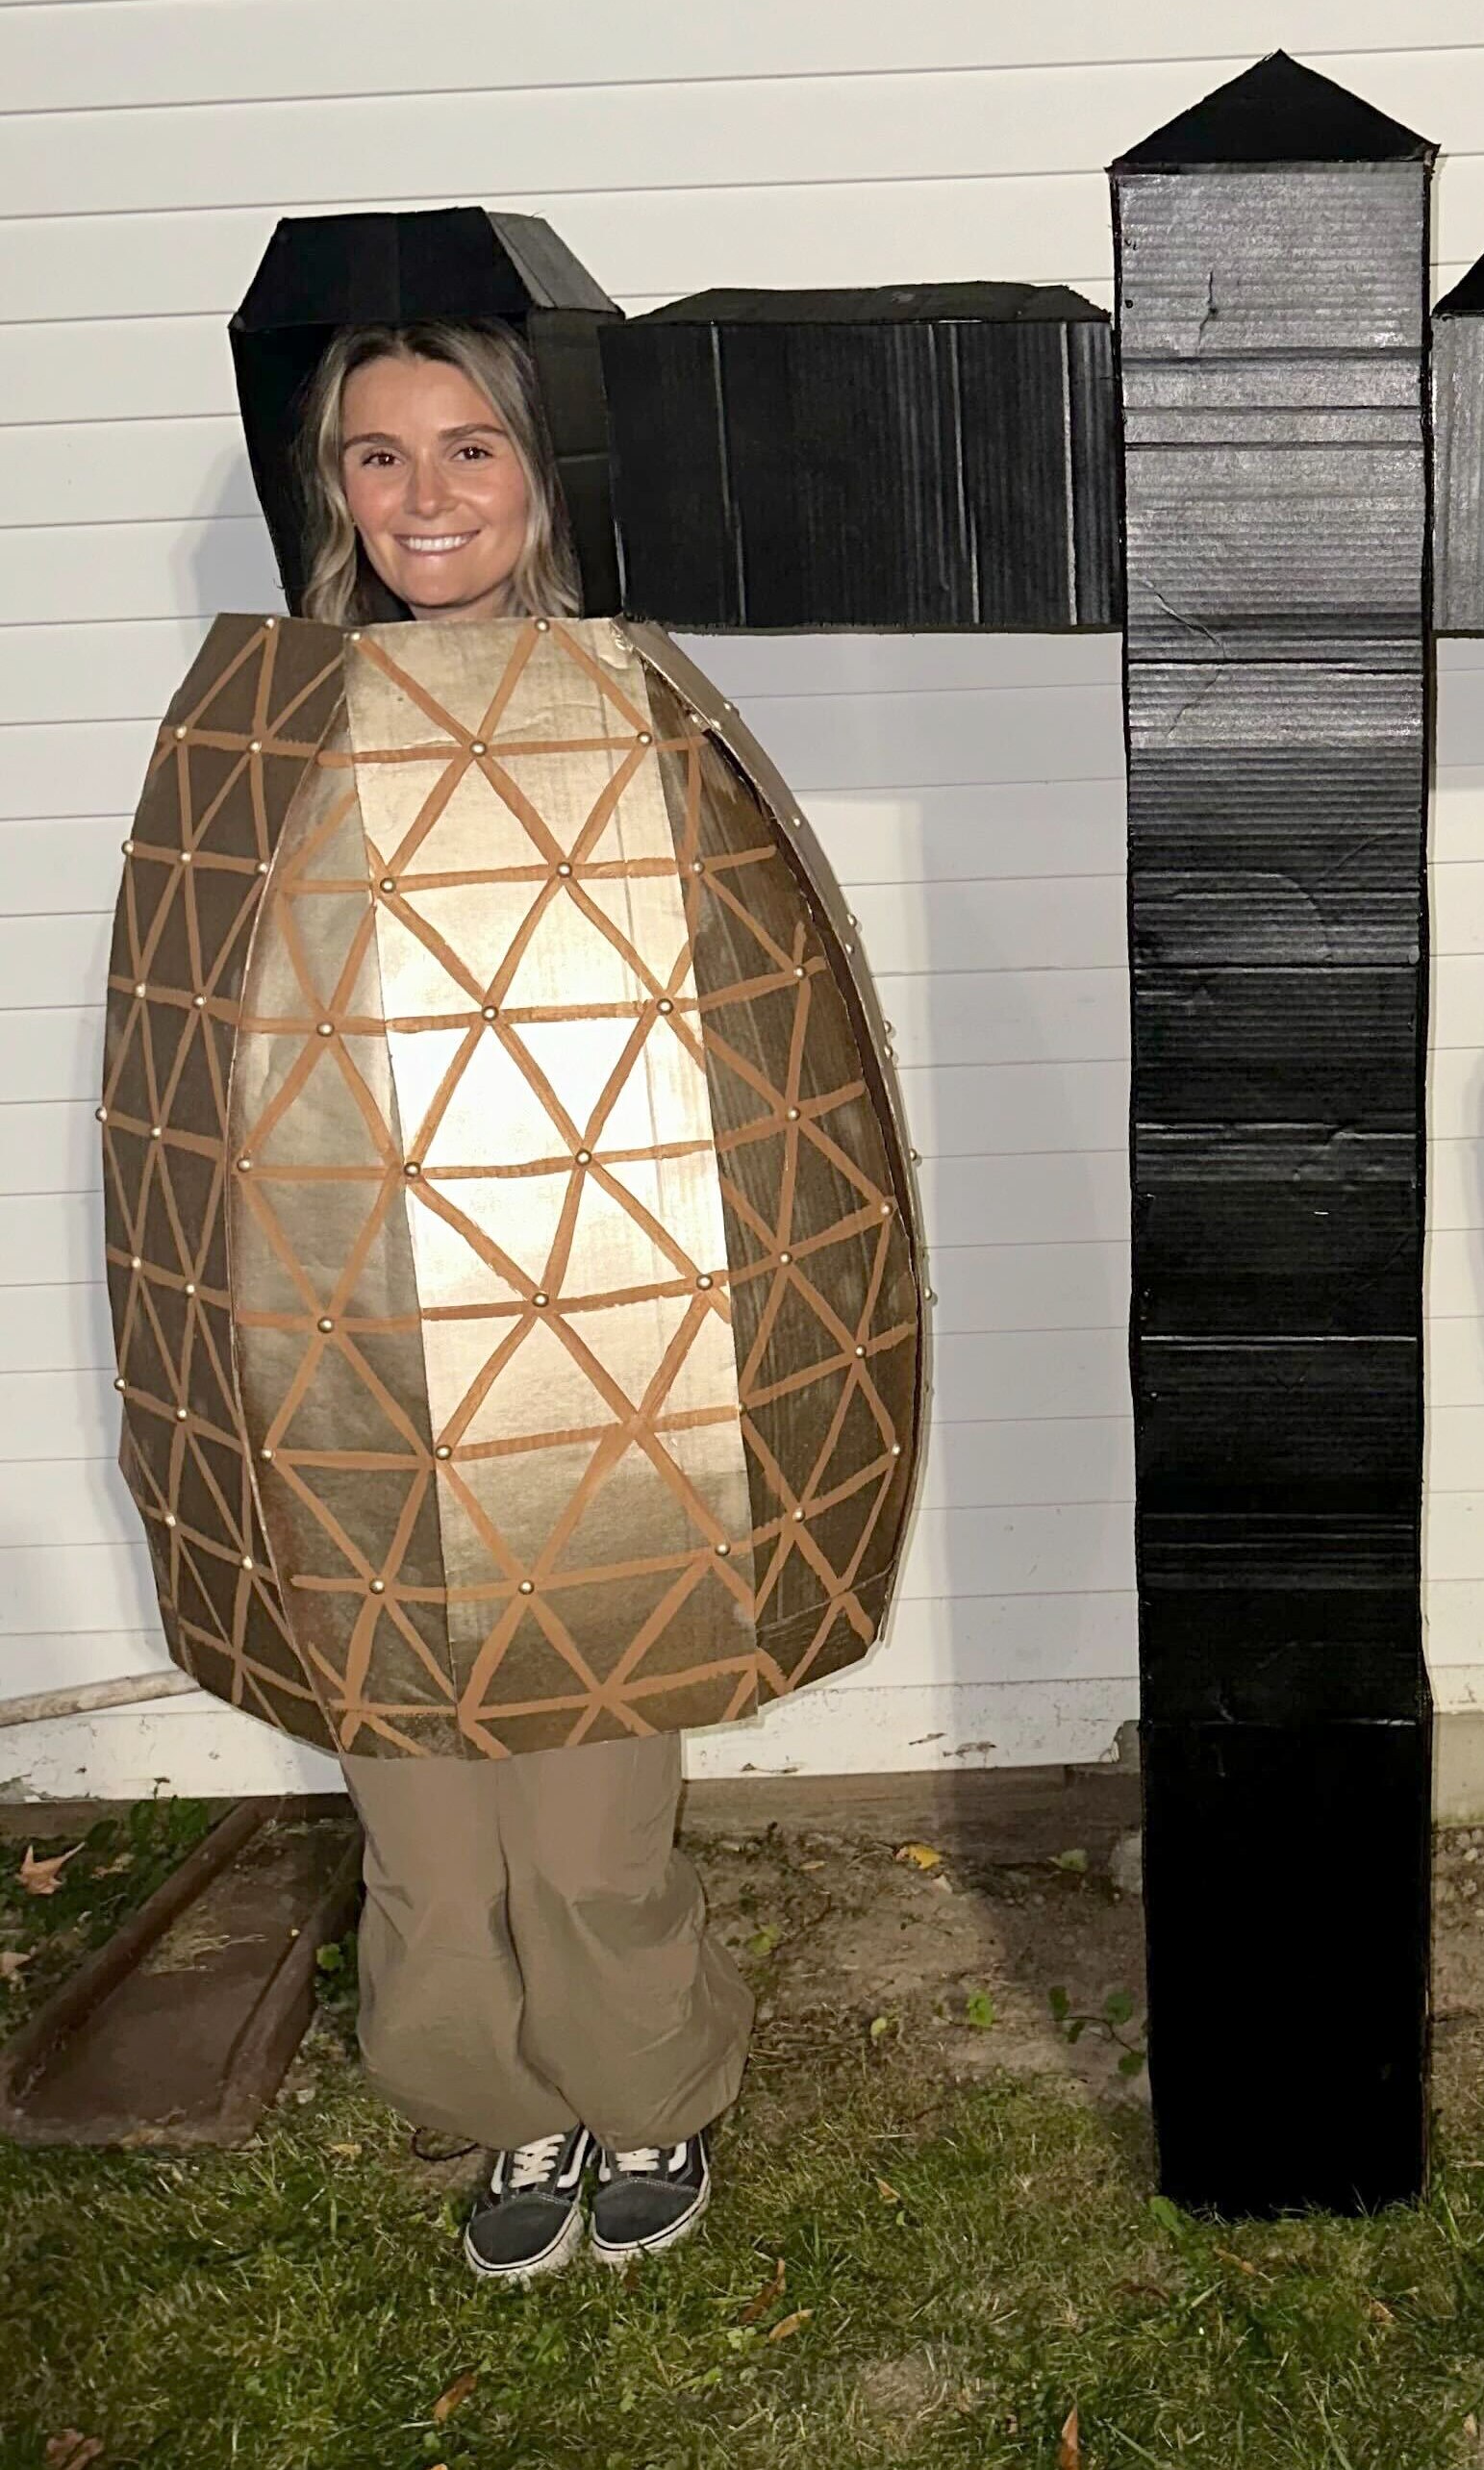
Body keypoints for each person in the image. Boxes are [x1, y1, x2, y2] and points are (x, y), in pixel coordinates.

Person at [296, 318, 755, 2280]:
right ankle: (504, 2107)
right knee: (417, 1791)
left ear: (543, 477)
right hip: (351, 1314)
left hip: (590, 1316)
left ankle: (643, 2088)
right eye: (378, 458)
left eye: (470, 451)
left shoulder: (631, 704)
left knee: (583, 1792)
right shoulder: (273, 722)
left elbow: (737, 1007)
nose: (424, 500)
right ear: (329, 487)